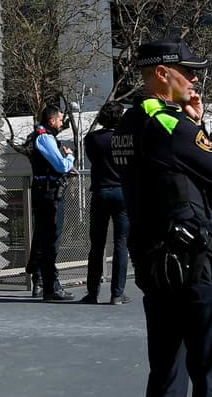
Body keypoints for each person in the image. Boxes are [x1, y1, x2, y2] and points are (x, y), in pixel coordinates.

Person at [114, 38, 212, 396]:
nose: (195, 79)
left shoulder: (127, 124)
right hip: (192, 264)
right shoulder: (173, 125)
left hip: (152, 264)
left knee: (167, 370)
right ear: (162, 73)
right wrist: (195, 126)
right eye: (188, 71)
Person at [82, 100, 131, 304]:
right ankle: (117, 293)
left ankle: (92, 292)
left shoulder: (91, 139)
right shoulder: (126, 139)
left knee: (97, 244)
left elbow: (93, 159)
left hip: (101, 191)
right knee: (121, 244)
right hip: (122, 192)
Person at [26, 104, 76, 300]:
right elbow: (61, 165)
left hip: (43, 192)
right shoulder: (45, 138)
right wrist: (69, 157)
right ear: (52, 120)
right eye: (60, 119)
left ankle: (39, 280)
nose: (62, 123)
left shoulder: (41, 137)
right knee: (51, 240)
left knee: (42, 237)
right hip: (50, 194)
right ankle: (51, 286)